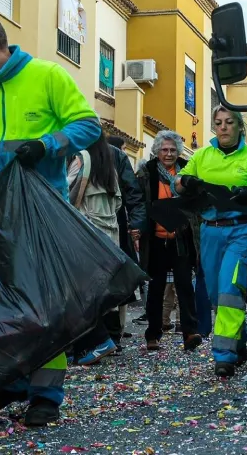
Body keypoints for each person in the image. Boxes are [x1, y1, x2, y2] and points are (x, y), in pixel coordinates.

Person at [0, 13, 101, 426]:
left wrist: (47, 145)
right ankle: (10, 383)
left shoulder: (47, 76)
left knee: (43, 306)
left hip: (41, 213)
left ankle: (46, 396)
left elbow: (89, 125)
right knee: (2, 305)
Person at [175, 106, 247, 377]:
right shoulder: (202, 155)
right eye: (218, 122)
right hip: (209, 230)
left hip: (243, 230)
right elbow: (178, 184)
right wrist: (187, 181)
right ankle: (239, 340)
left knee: (231, 290)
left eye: (229, 122)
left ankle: (224, 356)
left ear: (239, 126)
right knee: (217, 296)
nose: (223, 127)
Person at [137, 131, 203, 352]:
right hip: (156, 239)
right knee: (156, 288)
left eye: (173, 149)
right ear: (157, 150)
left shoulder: (187, 170)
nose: (169, 153)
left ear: (178, 151)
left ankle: (190, 333)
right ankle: (153, 335)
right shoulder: (147, 172)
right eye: (164, 149)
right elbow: (140, 201)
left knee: (185, 286)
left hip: (181, 239)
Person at [66, 135, 124, 365]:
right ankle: (88, 346)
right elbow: (118, 202)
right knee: (94, 293)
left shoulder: (81, 159)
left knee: (78, 293)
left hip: (85, 233)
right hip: (108, 235)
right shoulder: (108, 163)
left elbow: (65, 189)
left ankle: (98, 342)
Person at [106, 135, 146, 340]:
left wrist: (136, 223)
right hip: (100, 223)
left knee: (116, 275)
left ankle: (114, 332)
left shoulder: (116, 156)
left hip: (115, 223)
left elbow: (132, 193)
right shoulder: (69, 153)